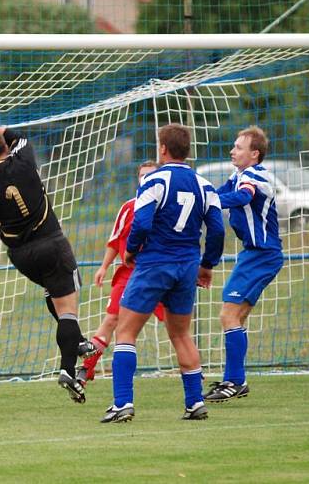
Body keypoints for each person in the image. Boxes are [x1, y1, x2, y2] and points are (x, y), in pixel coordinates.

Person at [0, 123, 96, 404]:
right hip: (52, 246)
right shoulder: (24, 159)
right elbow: (19, 137)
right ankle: (68, 369)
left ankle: (80, 341)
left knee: (54, 294)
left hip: (21, 257)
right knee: (67, 309)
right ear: (4, 146)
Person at [101, 123, 225, 423]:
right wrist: (206, 265)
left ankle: (122, 404)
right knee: (182, 335)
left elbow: (141, 224)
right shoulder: (204, 184)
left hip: (155, 263)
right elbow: (218, 230)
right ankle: (195, 403)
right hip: (186, 267)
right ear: (188, 150)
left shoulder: (155, 180)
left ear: (163, 149)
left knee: (126, 332)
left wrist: (130, 250)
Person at [204, 126, 283, 402]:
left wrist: (207, 202)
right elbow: (220, 192)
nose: (232, 150)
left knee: (228, 315)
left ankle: (234, 381)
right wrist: (202, 196)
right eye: (234, 146)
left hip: (261, 254)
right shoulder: (238, 174)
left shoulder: (255, 176)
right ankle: (237, 381)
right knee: (236, 317)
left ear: (254, 153)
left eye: (238, 147)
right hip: (257, 253)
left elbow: (242, 196)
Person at [77, 161, 166, 386]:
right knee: (111, 319)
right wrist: (103, 267)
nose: (145, 179)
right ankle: (87, 368)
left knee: (177, 325)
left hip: (159, 273)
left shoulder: (166, 208)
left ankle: (194, 372)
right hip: (129, 274)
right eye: (142, 175)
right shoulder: (129, 207)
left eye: (150, 175)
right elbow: (115, 240)